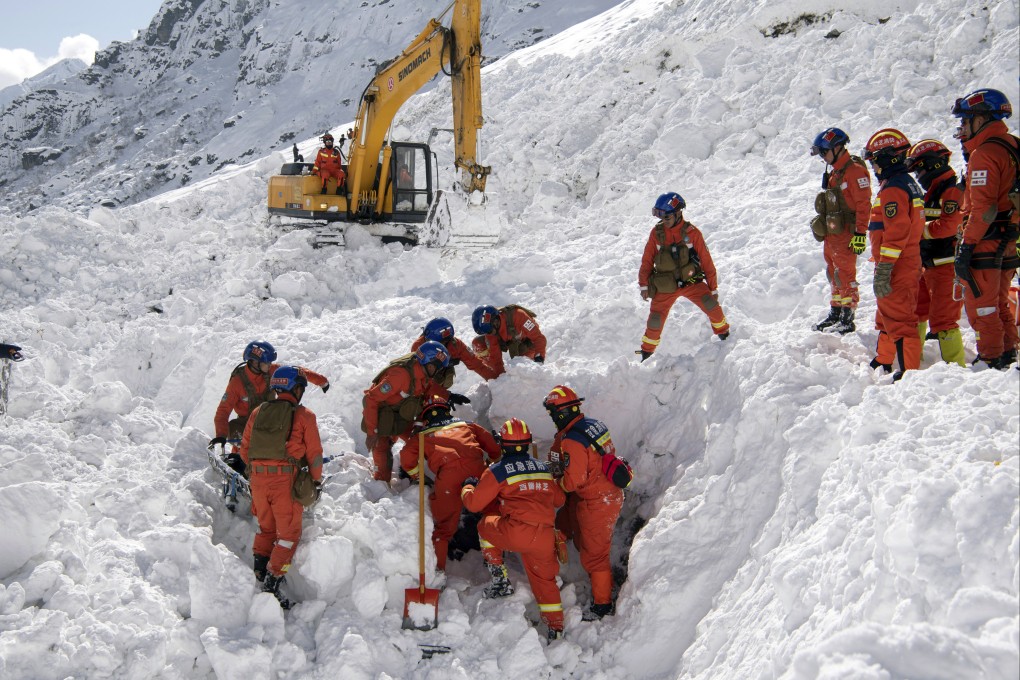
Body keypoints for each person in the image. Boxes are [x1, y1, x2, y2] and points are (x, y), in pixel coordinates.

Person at [461, 418, 566, 641]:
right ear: (528, 443)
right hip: (545, 536)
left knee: (484, 525)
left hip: (516, 532)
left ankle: (500, 580)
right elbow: (559, 499)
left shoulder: (498, 470)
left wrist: (468, 486)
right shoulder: (542, 469)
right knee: (545, 581)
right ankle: (556, 628)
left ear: (501, 443)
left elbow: (473, 504)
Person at [240, 366, 324, 607]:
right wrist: (315, 481)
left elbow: (245, 450)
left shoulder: (258, 411)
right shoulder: (305, 415)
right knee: (288, 535)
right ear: (295, 388)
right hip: (284, 481)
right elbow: (315, 455)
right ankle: (272, 585)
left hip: (257, 480)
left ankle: (259, 571)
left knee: (267, 528)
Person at [542, 385, 624, 621]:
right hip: (604, 490)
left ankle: (602, 606)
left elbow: (573, 481)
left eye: (552, 414)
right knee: (566, 519)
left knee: (595, 557)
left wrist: (556, 485)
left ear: (560, 414)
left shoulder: (572, 441)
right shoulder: (593, 425)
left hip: (599, 501)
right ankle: (562, 546)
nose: (552, 419)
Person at [951, 88, 1020, 369]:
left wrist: (966, 246)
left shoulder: (985, 153)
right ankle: (1007, 352)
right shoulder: (1014, 145)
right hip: (1009, 238)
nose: (963, 127)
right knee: (1000, 302)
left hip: (986, 240)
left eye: (966, 120)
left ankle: (990, 358)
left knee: (982, 305)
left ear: (981, 119)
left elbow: (983, 209)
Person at [399, 394, 500, 571]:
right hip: (477, 471)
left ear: (426, 415)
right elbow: (493, 446)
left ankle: (439, 571)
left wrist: (418, 477)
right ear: (447, 409)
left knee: (444, 528)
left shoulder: (422, 435)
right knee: (491, 513)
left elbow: (406, 457)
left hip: (448, 478)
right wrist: (492, 463)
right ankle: (496, 561)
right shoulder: (467, 425)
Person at [863, 128, 925, 379]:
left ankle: (909, 373)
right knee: (888, 314)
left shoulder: (894, 190)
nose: (874, 167)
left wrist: (886, 267)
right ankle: (884, 358)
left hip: (897, 264)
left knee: (899, 318)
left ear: (888, 158)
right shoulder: (906, 184)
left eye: (875, 160)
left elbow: (896, 232)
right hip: (905, 260)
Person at [210, 341, 329, 471]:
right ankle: (241, 464)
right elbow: (223, 411)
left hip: (271, 420)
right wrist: (220, 436)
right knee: (245, 449)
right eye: (267, 363)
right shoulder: (237, 383)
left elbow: (296, 372)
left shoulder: (271, 371)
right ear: (255, 362)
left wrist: (321, 381)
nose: (270, 365)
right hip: (246, 426)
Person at [637, 192, 730, 360]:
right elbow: (647, 260)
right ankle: (646, 353)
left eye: (666, 217)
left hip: (691, 282)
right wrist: (644, 285)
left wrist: (713, 288)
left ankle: (725, 337)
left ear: (678, 213)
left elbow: (707, 261)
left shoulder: (693, 233)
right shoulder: (656, 234)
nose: (663, 221)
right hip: (665, 285)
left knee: (712, 307)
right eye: (660, 217)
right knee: (655, 321)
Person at [905, 139, 966, 366]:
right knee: (917, 311)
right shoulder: (932, 191)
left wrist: (918, 231)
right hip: (926, 262)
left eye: (919, 168)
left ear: (932, 164)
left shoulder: (952, 191)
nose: (918, 174)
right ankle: (913, 360)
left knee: (944, 318)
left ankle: (956, 367)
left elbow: (948, 226)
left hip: (946, 264)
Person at [809, 127, 873, 334]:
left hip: (847, 233)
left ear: (837, 148)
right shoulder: (836, 171)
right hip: (833, 234)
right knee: (833, 273)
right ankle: (836, 311)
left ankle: (847, 316)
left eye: (824, 152)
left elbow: (864, 205)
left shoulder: (854, 171)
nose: (823, 157)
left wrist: (861, 234)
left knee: (845, 274)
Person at [361, 341, 451, 483]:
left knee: (422, 442)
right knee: (382, 455)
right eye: (437, 367)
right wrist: (372, 432)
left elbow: (430, 388)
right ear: (428, 363)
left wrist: (449, 397)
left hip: (402, 416)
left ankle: (413, 471)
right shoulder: (400, 376)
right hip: (380, 416)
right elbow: (370, 399)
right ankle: (380, 485)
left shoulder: (424, 374)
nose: (438, 372)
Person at [412, 317, 498, 382]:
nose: (429, 344)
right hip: (425, 380)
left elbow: (476, 363)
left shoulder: (456, 345)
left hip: (442, 377)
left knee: (447, 378)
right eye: (427, 340)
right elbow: (417, 378)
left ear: (445, 341)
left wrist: (496, 380)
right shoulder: (418, 347)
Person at [470, 304, 547, 378]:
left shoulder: (518, 315)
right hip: (508, 342)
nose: (488, 334)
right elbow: (495, 356)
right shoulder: (491, 332)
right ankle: (494, 376)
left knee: (520, 370)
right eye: (486, 332)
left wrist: (539, 360)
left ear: (495, 322)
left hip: (527, 344)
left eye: (489, 331)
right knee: (478, 343)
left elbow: (539, 339)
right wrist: (500, 378)